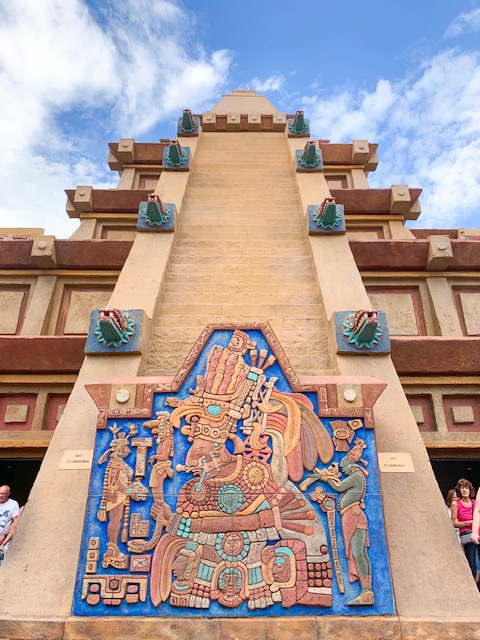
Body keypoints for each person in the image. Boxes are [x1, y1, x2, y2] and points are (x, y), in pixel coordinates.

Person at [451, 478, 480, 586]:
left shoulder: (475, 502)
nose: (464, 490)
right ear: (459, 490)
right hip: (466, 535)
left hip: (478, 532)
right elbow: (453, 523)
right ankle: (473, 586)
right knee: (471, 562)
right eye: (462, 488)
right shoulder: (455, 503)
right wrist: (469, 523)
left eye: (466, 487)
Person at [0, 485, 20, 565]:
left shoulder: (13, 504)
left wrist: (5, 536)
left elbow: (15, 522)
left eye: (3, 493)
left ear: (8, 494)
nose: (1, 495)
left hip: (2, 540)